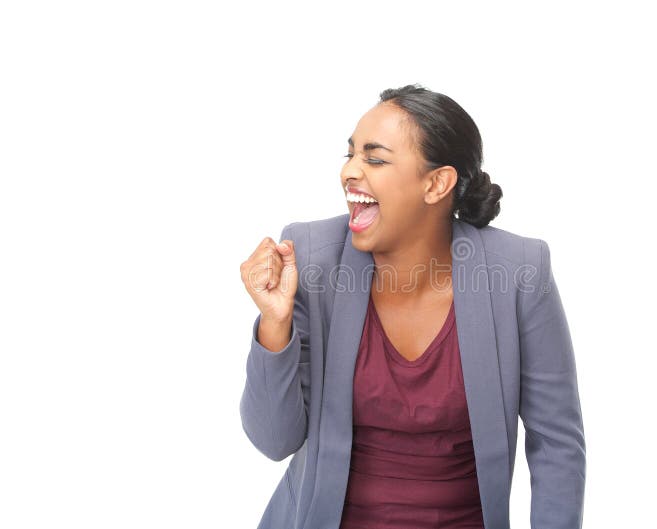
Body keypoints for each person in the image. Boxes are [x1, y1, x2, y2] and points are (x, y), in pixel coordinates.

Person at [239, 84, 586, 529]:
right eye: (350, 155)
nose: (350, 171)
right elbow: (273, 440)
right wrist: (275, 321)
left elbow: (557, 443)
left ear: (437, 183)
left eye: (374, 158)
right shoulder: (311, 257)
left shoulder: (519, 271)